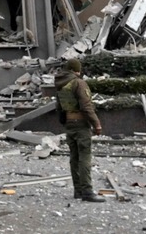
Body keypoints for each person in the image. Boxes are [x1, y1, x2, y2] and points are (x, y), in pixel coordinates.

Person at [54, 57, 105, 202]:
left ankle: (78, 190)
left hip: (69, 123)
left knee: (74, 158)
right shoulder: (78, 83)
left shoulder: (60, 83)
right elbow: (86, 106)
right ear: (76, 70)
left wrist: (64, 122)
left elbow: (58, 107)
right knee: (85, 157)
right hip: (81, 123)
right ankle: (87, 191)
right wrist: (96, 123)